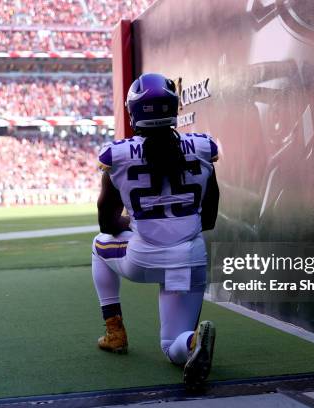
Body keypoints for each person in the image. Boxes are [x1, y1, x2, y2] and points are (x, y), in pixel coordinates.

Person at [91, 73, 220, 389]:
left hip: (143, 260)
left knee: (99, 244)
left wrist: (136, 224)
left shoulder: (117, 155)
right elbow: (209, 217)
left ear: (134, 110)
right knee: (171, 345)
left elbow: (107, 223)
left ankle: (115, 332)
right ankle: (190, 343)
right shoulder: (204, 147)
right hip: (190, 259)